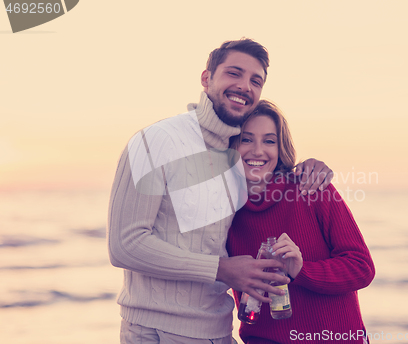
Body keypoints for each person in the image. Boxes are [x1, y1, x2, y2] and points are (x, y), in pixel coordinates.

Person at [107, 38, 333, 344]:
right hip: (153, 331)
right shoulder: (156, 140)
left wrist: (309, 166)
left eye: (256, 80)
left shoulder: (234, 153)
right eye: (234, 73)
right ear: (206, 78)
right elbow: (125, 244)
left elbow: (269, 171)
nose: (244, 86)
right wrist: (221, 269)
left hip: (217, 329)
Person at [227, 100, 375, 344]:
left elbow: (362, 268)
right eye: (246, 139)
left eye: (269, 140)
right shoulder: (224, 210)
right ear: (232, 145)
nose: (257, 150)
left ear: (280, 147)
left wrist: (301, 271)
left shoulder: (311, 189)